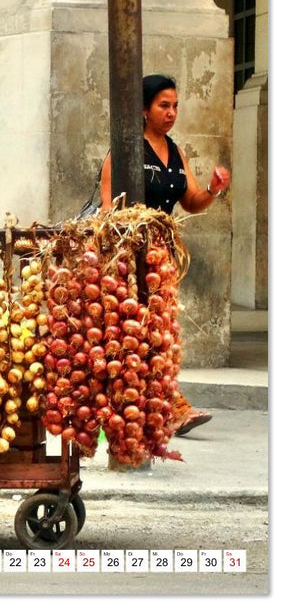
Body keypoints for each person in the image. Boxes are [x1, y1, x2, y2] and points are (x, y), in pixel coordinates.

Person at [100, 73, 231, 436]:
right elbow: (109, 210)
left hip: (162, 260)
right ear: (144, 109)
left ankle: (159, 406)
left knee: (161, 335)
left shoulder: (174, 150)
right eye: (164, 105)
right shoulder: (124, 150)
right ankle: (167, 406)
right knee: (140, 334)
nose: (172, 112)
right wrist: (128, 253)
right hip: (128, 260)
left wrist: (213, 189)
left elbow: (191, 202)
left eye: (175, 106)